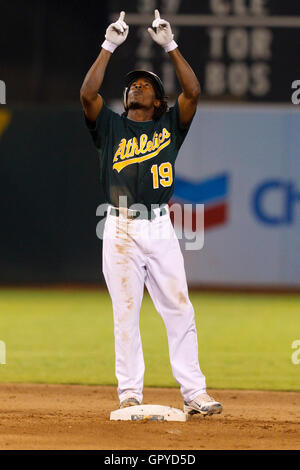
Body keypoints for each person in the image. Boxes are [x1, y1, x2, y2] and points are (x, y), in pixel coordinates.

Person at [80, 10, 222, 416]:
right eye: (132, 86)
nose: (137, 87)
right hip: (120, 227)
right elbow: (88, 95)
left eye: (145, 86)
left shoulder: (170, 126)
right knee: (125, 312)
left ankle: (195, 393)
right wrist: (108, 47)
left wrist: (171, 45)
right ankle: (129, 394)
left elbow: (193, 92)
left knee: (178, 307)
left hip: (160, 226)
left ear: (159, 101)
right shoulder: (109, 128)